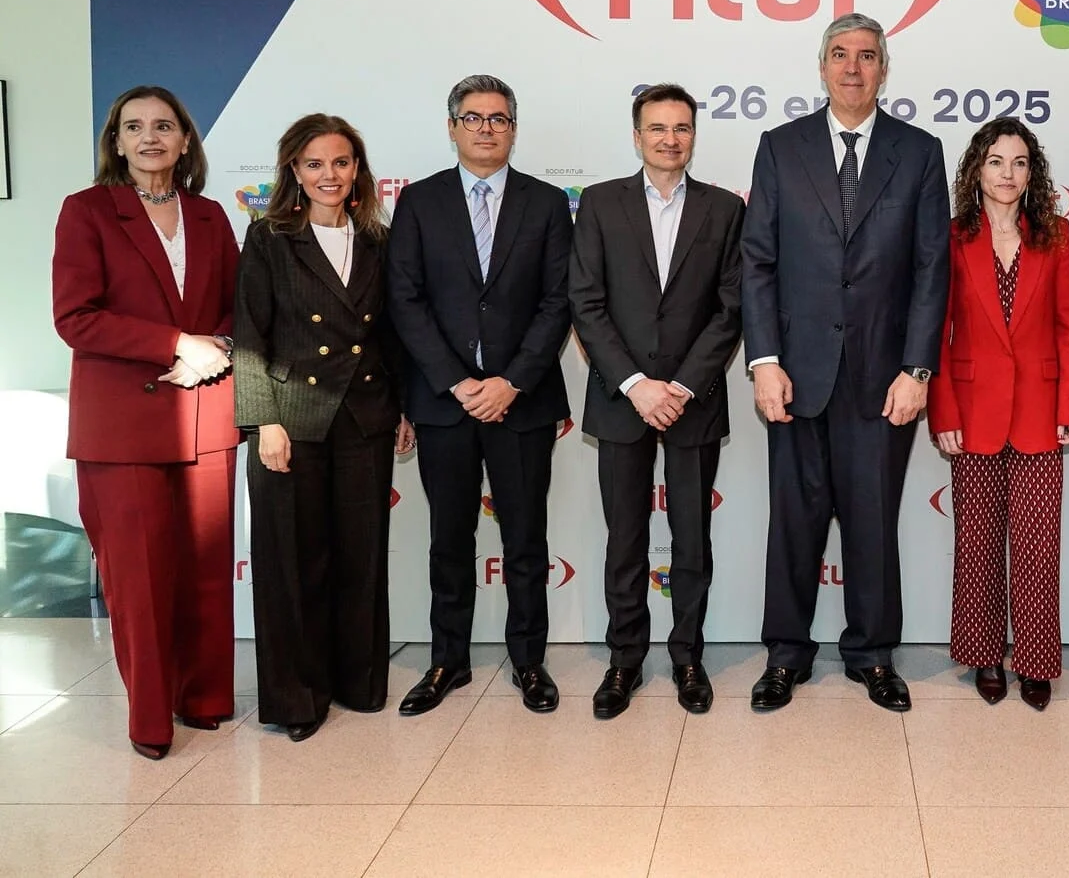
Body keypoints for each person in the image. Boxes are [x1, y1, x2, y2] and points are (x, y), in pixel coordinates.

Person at [743, 12, 951, 713]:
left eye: (866, 55)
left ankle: (872, 654)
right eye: (840, 54)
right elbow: (758, 261)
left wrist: (917, 369)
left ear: (884, 69)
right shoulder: (781, 147)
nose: (853, 67)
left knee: (873, 522)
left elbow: (931, 269)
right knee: (793, 523)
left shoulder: (919, 152)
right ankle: (785, 655)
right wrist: (763, 360)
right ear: (822, 66)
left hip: (882, 377)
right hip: (795, 373)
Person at [51, 85, 240, 760]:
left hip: (205, 410)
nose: (150, 137)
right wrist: (175, 344)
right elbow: (76, 317)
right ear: (117, 141)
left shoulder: (210, 215)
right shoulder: (87, 211)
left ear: (185, 140)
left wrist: (215, 346)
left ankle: (205, 697)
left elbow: (239, 304)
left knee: (205, 566)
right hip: (122, 423)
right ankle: (151, 718)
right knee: (139, 578)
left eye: (164, 125)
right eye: (134, 127)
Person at [387, 75, 575, 716]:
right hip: (446, 402)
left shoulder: (546, 203)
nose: (486, 128)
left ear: (514, 129)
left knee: (525, 538)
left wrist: (510, 381)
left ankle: (529, 661)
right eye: (473, 118)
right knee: (449, 538)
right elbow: (405, 300)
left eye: (499, 118)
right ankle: (448, 660)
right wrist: (458, 381)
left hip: (522, 400)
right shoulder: (419, 201)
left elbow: (557, 302)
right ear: (452, 128)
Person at [233, 114, 414, 741]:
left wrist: (403, 408)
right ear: (294, 170)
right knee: (292, 561)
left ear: (358, 168)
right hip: (291, 419)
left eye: (340, 162)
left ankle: (358, 683)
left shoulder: (380, 239)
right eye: (314, 164)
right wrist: (263, 421)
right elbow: (249, 334)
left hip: (365, 415)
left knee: (361, 559)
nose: (328, 175)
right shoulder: (269, 237)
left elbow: (391, 334)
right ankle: (296, 700)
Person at [568, 84, 745, 719]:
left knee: (692, 538)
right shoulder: (599, 203)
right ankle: (625, 659)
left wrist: (683, 384)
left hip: (694, 398)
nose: (671, 139)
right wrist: (636, 385)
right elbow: (585, 302)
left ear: (694, 135)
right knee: (626, 537)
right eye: (658, 128)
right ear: (637, 135)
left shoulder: (725, 209)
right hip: (622, 399)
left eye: (682, 128)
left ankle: (688, 658)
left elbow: (731, 307)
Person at [927, 118, 1069, 711]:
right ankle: (985, 655)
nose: (1008, 174)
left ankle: (1037, 662)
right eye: (996, 161)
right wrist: (943, 410)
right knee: (978, 545)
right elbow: (937, 331)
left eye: (1020, 162)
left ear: (1032, 172)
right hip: (971, 413)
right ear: (977, 169)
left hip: (1042, 412)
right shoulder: (952, 236)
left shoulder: (1055, 234)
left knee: (1039, 548)